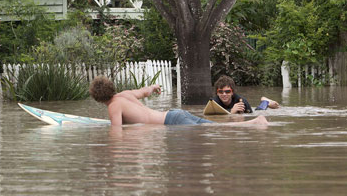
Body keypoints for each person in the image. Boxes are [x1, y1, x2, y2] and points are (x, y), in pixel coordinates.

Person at [89, 76, 268, 126]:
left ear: (97, 98)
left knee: (216, 128)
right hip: (175, 113)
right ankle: (255, 121)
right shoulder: (125, 94)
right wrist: (154, 87)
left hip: (171, 121)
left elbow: (116, 134)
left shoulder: (113, 106)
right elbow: (145, 91)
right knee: (213, 126)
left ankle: (255, 122)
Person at [212, 75, 279, 114]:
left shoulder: (241, 101)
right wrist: (231, 111)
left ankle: (265, 102)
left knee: (259, 111)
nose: (224, 94)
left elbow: (251, 115)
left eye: (227, 91)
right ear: (217, 93)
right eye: (220, 92)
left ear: (232, 92)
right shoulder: (213, 102)